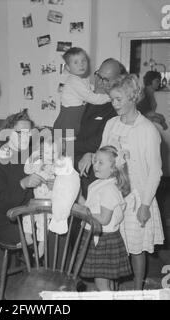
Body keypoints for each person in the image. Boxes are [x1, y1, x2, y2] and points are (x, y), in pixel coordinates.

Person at [99, 74, 164, 290]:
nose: (114, 104)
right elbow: (103, 154)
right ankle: (113, 290)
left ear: (132, 97)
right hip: (113, 194)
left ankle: (138, 290)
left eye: (118, 99)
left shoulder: (147, 129)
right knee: (112, 247)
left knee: (136, 248)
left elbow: (155, 171)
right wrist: (91, 157)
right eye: (112, 99)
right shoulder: (111, 124)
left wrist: (145, 205)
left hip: (137, 197)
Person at [0, 109, 46, 246]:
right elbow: (0, 202)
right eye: (19, 133)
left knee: (60, 226)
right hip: (7, 221)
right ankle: (40, 265)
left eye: (28, 133)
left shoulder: (30, 155)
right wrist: (22, 184)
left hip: (31, 213)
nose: (25, 137)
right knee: (50, 233)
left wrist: (48, 182)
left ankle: (49, 266)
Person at [79, 145, 132, 291]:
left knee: (102, 283)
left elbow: (103, 219)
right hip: (95, 235)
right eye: (95, 160)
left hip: (104, 239)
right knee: (103, 281)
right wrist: (77, 196)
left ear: (114, 168)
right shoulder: (97, 184)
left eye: (100, 163)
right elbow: (88, 205)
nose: (95, 165)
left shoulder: (109, 189)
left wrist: (83, 213)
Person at [76, 58, 127, 198]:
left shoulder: (115, 108)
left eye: (106, 80)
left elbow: (99, 142)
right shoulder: (87, 97)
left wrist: (66, 143)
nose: (99, 82)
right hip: (72, 164)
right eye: (98, 75)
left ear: (117, 81)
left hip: (92, 171)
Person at [53, 47, 110, 137]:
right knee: (68, 150)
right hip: (67, 124)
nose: (81, 65)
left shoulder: (81, 80)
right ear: (68, 67)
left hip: (72, 121)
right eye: (76, 62)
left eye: (83, 61)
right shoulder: (74, 81)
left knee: (66, 150)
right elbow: (94, 99)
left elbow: (89, 90)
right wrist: (110, 97)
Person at [22, 138, 56, 257]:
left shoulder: (57, 166)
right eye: (46, 153)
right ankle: (27, 235)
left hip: (49, 203)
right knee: (26, 214)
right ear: (40, 153)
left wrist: (56, 184)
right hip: (36, 201)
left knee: (42, 222)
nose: (50, 156)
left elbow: (65, 183)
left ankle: (42, 245)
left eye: (53, 153)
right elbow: (26, 169)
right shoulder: (37, 163)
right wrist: (34, 156)